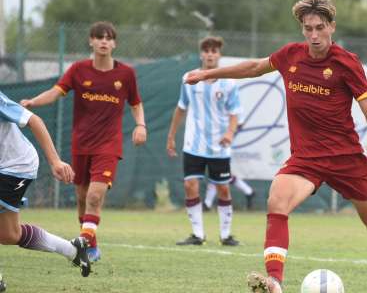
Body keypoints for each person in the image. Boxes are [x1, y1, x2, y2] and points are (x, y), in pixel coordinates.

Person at [184, 0, 367, 293]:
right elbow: (255, 67)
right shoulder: (290, 55)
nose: (314, 35)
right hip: (306, 159)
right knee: (277, 200)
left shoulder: (347, 63)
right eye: (308, 29)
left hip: (346, 158)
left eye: (320, 28)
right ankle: (275, 281)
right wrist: (208, 74)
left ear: (332, 27)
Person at [20, 21, 147, 262]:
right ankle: (90, 243)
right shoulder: (78, 70)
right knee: (81, 196)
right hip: (81, 144)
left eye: (108, 38)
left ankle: (86, 244)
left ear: (114, 43)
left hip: (109, 145)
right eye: (99, 37)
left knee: (94, 196)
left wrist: (141, 125)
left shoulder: (126, 74)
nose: (103, 41)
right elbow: (56, 92)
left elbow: (136, 103)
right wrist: (33, 102)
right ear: (91, 41)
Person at [0, 90, 91, 282]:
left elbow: (35, 121)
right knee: (9, 234)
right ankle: (73, 250)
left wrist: (55, 162)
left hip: (15, 165)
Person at [167, 36, 242, 246]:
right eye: (206, 51)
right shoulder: (190, 78)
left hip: (219, 147)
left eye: (214, 51)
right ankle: (197, 234)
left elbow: (235, 113)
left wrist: (230, 133)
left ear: (219, 55)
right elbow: (181, 108)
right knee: (190, 185)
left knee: (223, 189)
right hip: (194, 145)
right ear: (201, 54)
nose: (210, 54)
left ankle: (226, 235)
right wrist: (171, 137)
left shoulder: (229, 82)